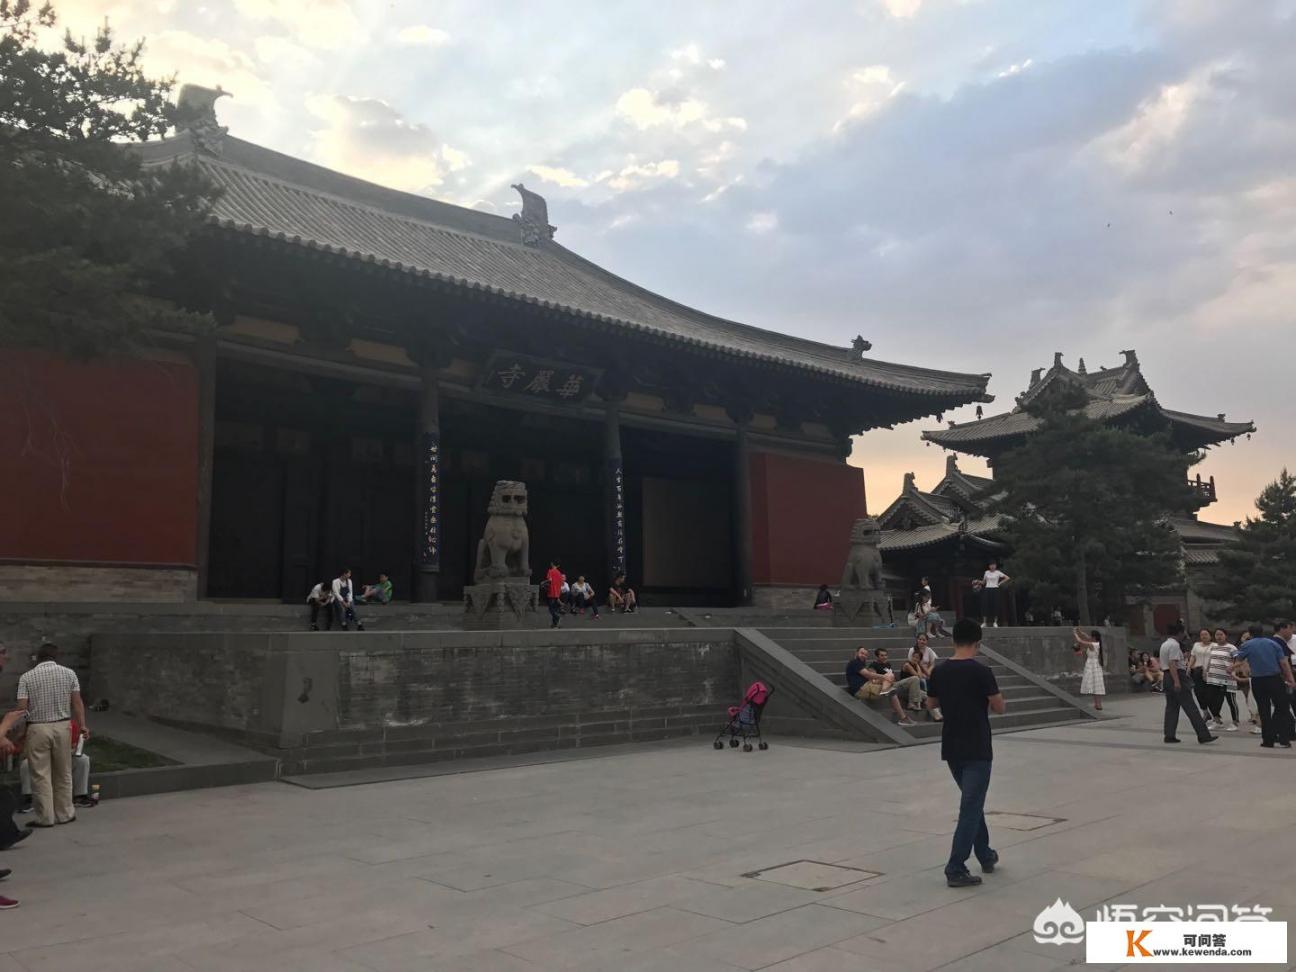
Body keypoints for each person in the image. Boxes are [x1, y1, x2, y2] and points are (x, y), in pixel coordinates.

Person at [926, 619, 1004, 888]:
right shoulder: (982, 671)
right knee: (971, 806)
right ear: (977, 642)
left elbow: (931, 703)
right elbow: (999, 706)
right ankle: (955, 866)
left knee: (973, 802)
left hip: (952, 746)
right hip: (978, 745)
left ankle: (985, 854)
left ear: (953, 640)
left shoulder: (939, 670)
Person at [14, 643, 89, 828]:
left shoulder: (26, 677)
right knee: (63, 772)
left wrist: (21, 732)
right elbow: (77, 703)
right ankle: (65, 813)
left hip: (37, 728)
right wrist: (82, 726)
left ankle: (45, 817)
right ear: (56, 656)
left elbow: (22, 709)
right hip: (63, 726)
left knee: (40, 774)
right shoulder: (69, 673)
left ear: (38, 657)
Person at [1235, 622, 1295, 748]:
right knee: (1282, 707)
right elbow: (1284, 664)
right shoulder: (1273, 644)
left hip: (1258, 681)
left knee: (1264, 710)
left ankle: (1268, 740)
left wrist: (1231, 669)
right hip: (1274, 679)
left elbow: (1239, 661)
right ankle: (1284, 739)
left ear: (1250, 634)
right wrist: (1290, 679)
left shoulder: (1246, 645)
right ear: (1263, 632)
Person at [1160, 622, 1217, 745]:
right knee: (1191, 707)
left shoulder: (1165, 644)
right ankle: (1203, 735)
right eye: (1183, 632)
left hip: (1166, 676)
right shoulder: (1174, 645)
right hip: (1176, 675)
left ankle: (1169, 735)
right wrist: (1177, 682)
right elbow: (1172, 664)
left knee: (1171, 707)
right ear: (1179, 633)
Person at [17, 718, 93, 809]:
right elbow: (26, 751)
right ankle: (29, 799)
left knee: (82, 760)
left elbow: (74, 747)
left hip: (63, 758)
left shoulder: (69, 725)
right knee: (26, 764)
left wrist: (72, 750)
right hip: (42, 760)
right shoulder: (35, 728)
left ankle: (80, 796)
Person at [844, 647, 917, 727]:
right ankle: (903, 718)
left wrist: (885, 678)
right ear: (856, 653)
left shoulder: (861, 664)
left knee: (890, 680)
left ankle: (885, 690)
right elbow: (868, 674)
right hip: (861, 689)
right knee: (891, 690)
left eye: (865, 654)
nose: (864, 655)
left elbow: (870, 678)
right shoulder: (855, 662)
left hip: (867, 686)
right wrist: (884, 677)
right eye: (862, 653)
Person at [1203, 628, 1240, 731]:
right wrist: (1206, 671)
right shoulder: (1213, 647)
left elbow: (1239, 661)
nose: (1219, 637)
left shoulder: (1231, 648)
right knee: (1211, 699)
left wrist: (1232, 668)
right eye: (1217, 635)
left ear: (1225, 635)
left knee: (1231, 701)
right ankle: (1217, 720)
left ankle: (1235, 722)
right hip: (1214, 678)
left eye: (1221, 634)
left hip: (1228, 678)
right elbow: (1211, 660)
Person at [1072, 628, 1106, 711]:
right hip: (1093, 664)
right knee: (1095, 684)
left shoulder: (1093, 644)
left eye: (1091, 636)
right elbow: (1086, 637)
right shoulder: (1095, 643)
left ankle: (1098, 704)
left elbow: (1080, 641)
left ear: (1094, 637)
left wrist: (1075, 634)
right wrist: (1080, 632)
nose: (1090, 637)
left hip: (1093, 665)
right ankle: (1097, 704)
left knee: (1096, 684)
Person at [972, 562, 1009, 628]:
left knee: (995, 605)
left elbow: (1007, 578)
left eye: (994, 565)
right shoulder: (986, 572)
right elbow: (983, 582)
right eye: (991, 565)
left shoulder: (998, 572)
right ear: (989, 566)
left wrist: (999, 583)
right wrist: (977, 581)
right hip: (987, 589)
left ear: (995, 566)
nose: (992, 566)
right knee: (985, 605)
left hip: (995, 589)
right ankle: (984, 622)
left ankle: (995, 622)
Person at [1188, 628, 1214, 720]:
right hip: (1197, 671)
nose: (1204, 636)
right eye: (1202, 635)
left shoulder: (1214, 645)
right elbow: (1193, 656)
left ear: (1210, 636)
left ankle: (1215, 714)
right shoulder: (1196, 645)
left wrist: (1207, 670)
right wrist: (1189, 667)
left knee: (1209, 694)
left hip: (1210, 672)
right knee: (1198, 692)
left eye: (1206, 634)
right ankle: (1205, 713)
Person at [543, 561, 565, 628]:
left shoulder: (550, 571)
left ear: (552, 563)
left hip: (551, 592)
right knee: (554, 608)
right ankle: (554, 624)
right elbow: (562, 583)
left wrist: (543, 582)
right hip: (557, 593)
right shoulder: (559, 573)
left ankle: (557, 617)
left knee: (551, 609)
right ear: (558, 565)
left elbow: (549, 580)